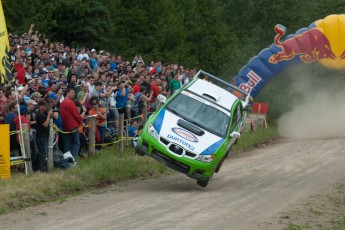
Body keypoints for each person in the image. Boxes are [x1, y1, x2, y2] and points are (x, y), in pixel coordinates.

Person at [59, 88, 83, 158]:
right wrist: (81, 122)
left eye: (74, 93)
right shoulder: (70, 102)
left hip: (65, 126)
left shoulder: (62, 102)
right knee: (76, 143)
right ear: (67, 93)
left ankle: (67, 159)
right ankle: (73, 159)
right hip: (72, 125)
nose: (73, 94)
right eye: (72, 93)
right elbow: (76, 114)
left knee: (67, 144)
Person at [35, 100, 53, 172]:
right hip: (41, 136)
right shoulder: (39, 115)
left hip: (44, 135)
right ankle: (41, 168)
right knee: (43, 153)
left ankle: (37, 166)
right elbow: (45, 124)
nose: (46, 108)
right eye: (45, 106)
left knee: (43, 152)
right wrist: (48, 115)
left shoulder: (43, 114)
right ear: (40, 107)